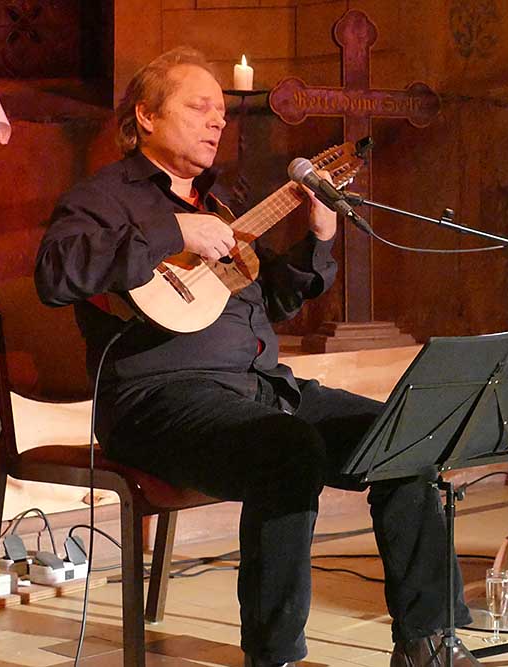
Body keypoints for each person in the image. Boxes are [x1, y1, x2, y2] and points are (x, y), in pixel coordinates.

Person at [34, 46, 482, 667]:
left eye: (221, 111)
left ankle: (428, 644)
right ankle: (274, 657)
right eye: (199, 107)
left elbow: (273, 299)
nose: (217, 120)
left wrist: (319, 238)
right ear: (146, 116)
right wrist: (173, 231)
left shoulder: (222, 201)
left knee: (404, 438)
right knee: (286, 451)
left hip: (262, 388)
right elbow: (54, 274)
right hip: (157, 402)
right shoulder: (104, 197)